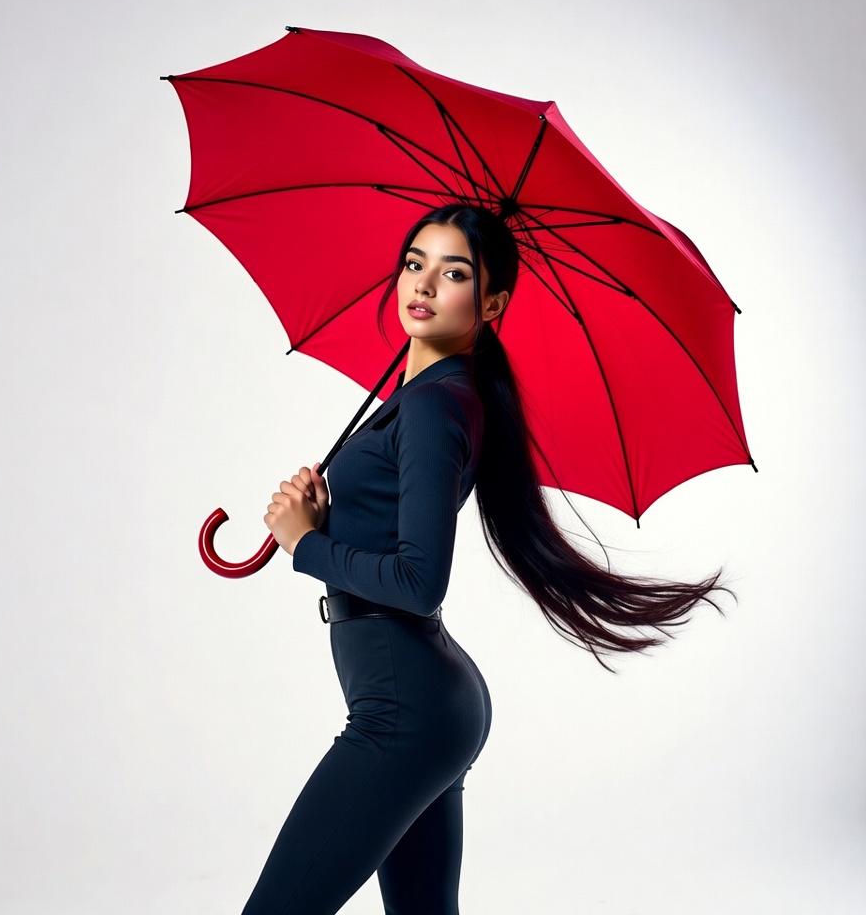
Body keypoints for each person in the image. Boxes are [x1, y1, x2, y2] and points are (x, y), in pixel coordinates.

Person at [243, 204, 726, 915]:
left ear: (492, 303)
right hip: (429, 704)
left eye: (455, 273)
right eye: (416, 263)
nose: (426, 285)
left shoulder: (436, 408)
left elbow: (417, 581)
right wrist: (321, 514)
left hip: (404, 715)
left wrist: (306, 543)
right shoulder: (428, 398)